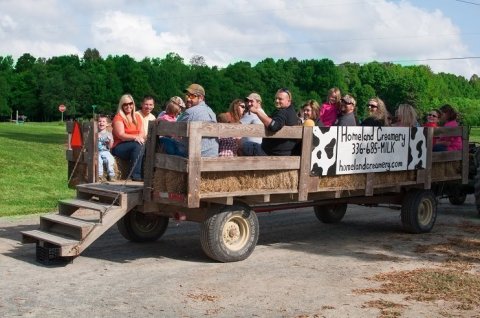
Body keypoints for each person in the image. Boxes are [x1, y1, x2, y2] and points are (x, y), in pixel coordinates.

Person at [248, 88, 299, 156]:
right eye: (276, 98)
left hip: (270, 153)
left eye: (280, 99)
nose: (277, 101)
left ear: (288, 101)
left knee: (244, 145)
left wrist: (257, 112)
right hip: (285, 153)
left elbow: (274, 126)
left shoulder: (283, 112)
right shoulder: (292, 112)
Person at [175, 83, 218, 157]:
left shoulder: (190, 112)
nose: (188, 99)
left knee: (164, 140)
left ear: (200, 98)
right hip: (212, 156)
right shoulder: (212, 112)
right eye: (187, 95)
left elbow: (173, 128)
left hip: (194, 155)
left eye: (192, 96)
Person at [111, 94, 145, 181]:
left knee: (147, 146)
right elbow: (121, 135)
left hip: (135, 144)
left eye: (130, 103)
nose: (128, 106)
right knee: (137, 146)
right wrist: (135, 138)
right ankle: (135, 175)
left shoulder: (137, 117)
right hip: (119, 146)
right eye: (125, 104)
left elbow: (142, 132)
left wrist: (139, 138)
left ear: (133, 104)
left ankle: (147, 175)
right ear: (121, 105)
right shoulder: (118, 117)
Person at [97, 115, 116, 182]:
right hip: (97, 151)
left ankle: (111, 175)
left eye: (103, 121)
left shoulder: (109, 134)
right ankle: (100, 176)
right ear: (97, 123)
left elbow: (110, 146)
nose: (101, 123)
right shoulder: (95, 133)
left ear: (107, 124)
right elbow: (91, 144)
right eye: (99, 121)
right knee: (98, 161)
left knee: (110, 160)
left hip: (106, 151)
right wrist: (96, 138)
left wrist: (110, 141)